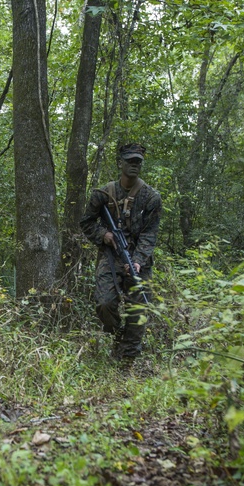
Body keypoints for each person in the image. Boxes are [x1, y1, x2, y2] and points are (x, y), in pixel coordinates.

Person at [79, 143, 162, 362]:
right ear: (121, 163)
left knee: (138, 311)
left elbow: (149, 235)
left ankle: (128, 361)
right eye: (130, 161)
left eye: (138, 162)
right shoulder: (103, 194)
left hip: (138, 260)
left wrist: (136, 261)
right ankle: (117, 338)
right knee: (105, 304)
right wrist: (104, 235)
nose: (134, 165)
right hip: (110, 257)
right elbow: (86, 223)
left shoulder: (151, 197)